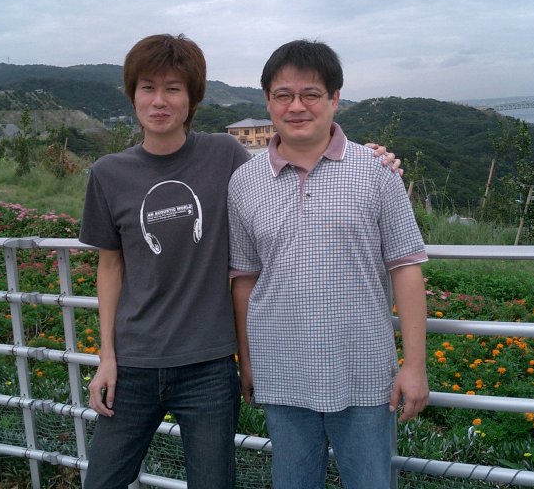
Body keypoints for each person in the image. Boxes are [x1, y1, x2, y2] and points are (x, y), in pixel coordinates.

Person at [80, 33, 400, 488]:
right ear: (132, 94)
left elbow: (299, 151)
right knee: (103, 480)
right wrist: (107, 357)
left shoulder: (224, 155)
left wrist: (372, 158)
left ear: (193, 98)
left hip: (210, 365)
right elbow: (110, 267)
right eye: (147, 88)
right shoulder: (108, 173)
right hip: (133, 361)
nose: (159, 101)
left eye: (173, 88)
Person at [228, 39, 429, 489]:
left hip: (365, 371)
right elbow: (244, 279)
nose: (296, 106)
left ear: (335, 98)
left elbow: (406, 268)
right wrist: (248, 360)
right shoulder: (243, 182)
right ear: (268, 101)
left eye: (311, 94)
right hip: (281, 371)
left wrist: (414, 366)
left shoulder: (376, 171)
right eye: (283, 95)